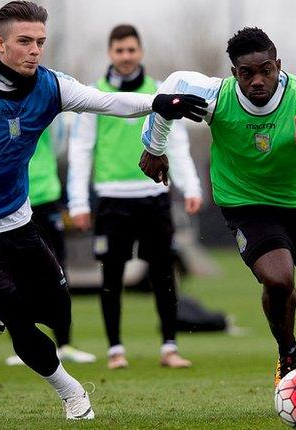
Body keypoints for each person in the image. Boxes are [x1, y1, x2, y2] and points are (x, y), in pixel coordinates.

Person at [0, 1, 206, 421]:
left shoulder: (52, 87)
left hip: (18, 219)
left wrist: (159, 102)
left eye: (40, 42)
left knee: (58, 306)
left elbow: (106, 101)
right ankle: (72, 394)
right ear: (0, 43)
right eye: (24, 41)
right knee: (20, 318)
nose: (34, 51)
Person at [139, 27, 296, 413]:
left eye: (266, 70)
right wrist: (154, 147)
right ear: (233, 72)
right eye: (247, 73)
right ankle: (288, 353)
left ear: (279, 66)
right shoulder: (215, 96)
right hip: (247, 204)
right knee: (278, 278)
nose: (258, 80)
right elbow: (169, 90)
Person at [67, 24, 203, 370]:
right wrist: (79, 203)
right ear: (110, 53)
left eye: (131, 50)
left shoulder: (161, 92)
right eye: (119, 50)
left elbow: (177, 144)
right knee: (111, 276)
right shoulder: (93, 95)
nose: (125, 56)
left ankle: (169, 347)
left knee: (163, 272)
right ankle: (115, 350)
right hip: (111, 199)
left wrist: (191, 187)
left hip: (154, 196)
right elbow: (81, 150)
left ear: (140, 52)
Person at [0, 126, 97, 365]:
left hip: (45, 196)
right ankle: (24, 343)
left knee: (57, 268)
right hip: (12, 201)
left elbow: (58, 144)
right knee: (13, 271)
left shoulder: (44, 105)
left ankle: (65, 343)